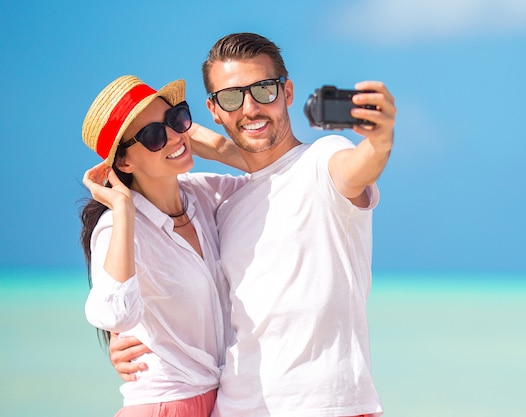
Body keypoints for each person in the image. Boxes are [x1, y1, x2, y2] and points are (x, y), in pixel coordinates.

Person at [110, 32, 396, 417]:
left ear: (288, 92)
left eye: (263, 90)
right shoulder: (219, 201)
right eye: (231, 97)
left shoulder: (324, 159)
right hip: (234, 406)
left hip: (327, 406)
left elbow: (356, 169)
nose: (249, 108)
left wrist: (379, 144)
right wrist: (127, 332)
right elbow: (149, 239)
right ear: (213, 110)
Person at [80, 74, 248, 417]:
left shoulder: (203, 194)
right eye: (154, 135)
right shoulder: (115, 227)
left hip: (224, 399)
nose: (172, 134)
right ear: (124, 163)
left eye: (175, 118)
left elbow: (271, 171)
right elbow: (115, 315)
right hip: (165, 405)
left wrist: (201, 140)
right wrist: (123, 208)